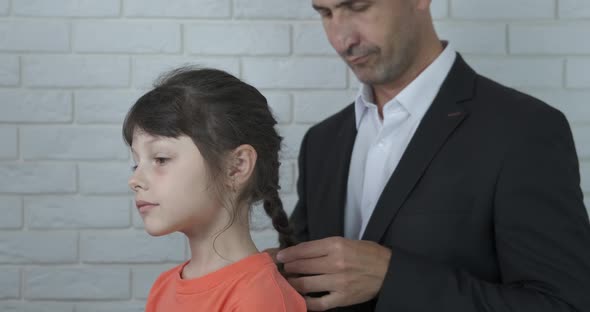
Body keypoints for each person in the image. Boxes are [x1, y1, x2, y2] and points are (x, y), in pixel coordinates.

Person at [276, 0, 590, 311]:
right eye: (326, 13)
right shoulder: (321, 142)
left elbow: (564, 304)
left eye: (358, 6)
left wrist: (393, 279)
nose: (343, 40)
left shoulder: (524, 129)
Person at [124, 67, 306, 312]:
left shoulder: (259, 299)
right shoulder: (163, 287)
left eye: (161, 159)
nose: (135, 180)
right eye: (137, 163)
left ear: (236, 166)